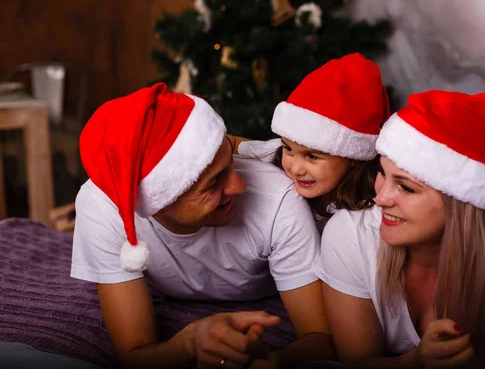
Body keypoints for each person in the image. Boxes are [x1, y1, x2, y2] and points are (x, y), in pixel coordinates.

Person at [70, 83, 335, 369]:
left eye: (230, 163)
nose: (239, 185)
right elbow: (135, 353)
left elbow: (322, 338)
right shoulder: (102, 206)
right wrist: (189, 342)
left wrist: (274, 361)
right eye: (213, 183)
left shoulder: (278, 199)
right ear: (160, 201)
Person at [315, 90, 485, 368]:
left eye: (406, 187)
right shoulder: (349, 235)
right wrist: (416, 362)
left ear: (460, 204)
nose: (381, 198)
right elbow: (355, 361)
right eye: (382, 173)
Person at [232, 53, 390, 233]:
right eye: (288, 148)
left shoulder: (369, 214)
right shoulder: (275, 153)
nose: (297, 169)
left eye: (312, 156)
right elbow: (233, 144)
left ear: (353, 157)